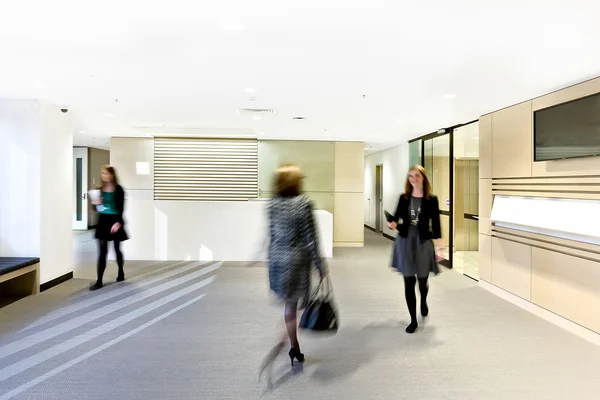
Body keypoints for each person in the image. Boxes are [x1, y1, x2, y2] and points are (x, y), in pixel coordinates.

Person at [263, 164, 327, 370]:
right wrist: (320, 265)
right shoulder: (304, 203)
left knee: (289, 305)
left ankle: (293, 344)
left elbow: (271, 235)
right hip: (297, 261)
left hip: (277, 259)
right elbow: (311, 239)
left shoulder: (272, 204)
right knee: (298, 303)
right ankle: (287, 341)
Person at [388, 165, 442, 334]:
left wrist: (441, 247)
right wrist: (392, 224)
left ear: (423, 178)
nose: (413, 179)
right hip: (405, 241)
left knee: (423, 280)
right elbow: (395, 219)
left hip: (423, 241)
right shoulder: (403, 198)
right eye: (410, 176)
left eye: (417, 176)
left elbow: (437, 224)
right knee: (408, 281)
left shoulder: (431, 199)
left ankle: (423, 300)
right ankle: (413, 320)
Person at [90, 165, 128, 291]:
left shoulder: (119, 189)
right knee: (102, 251)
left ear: (112, 175)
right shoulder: (99, 190)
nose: (106, 175)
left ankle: (121, 272)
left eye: (108, 173)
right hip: (103, 221)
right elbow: (97, 209)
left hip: (115, 220)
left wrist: (119, 222)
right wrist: (95, 204)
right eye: (104, 173)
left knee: (117, 249)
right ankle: (99, 280)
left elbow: (122, 208)